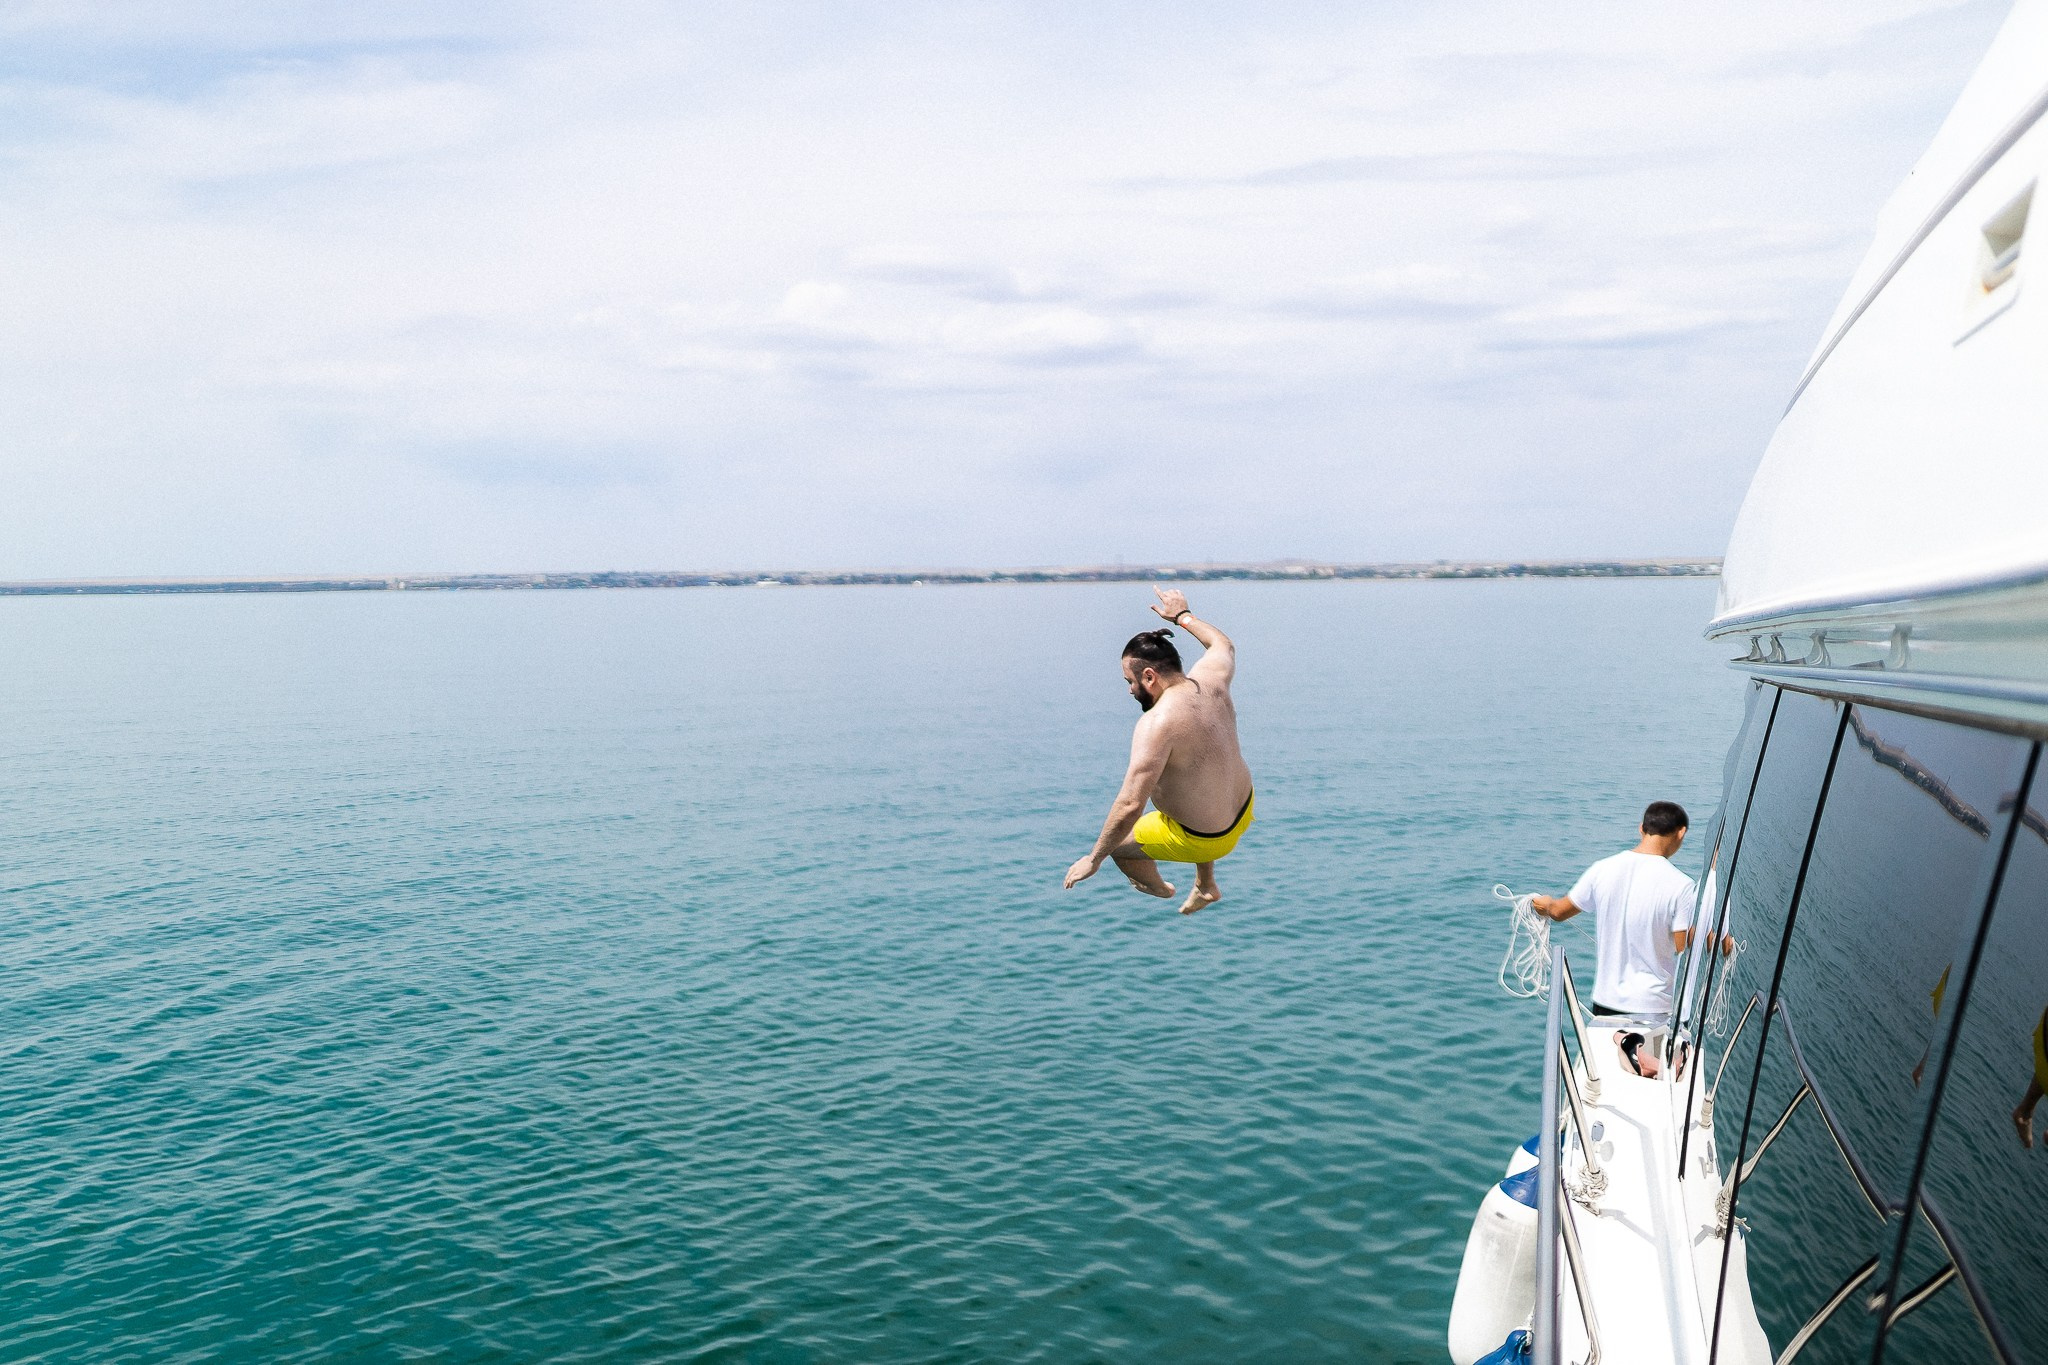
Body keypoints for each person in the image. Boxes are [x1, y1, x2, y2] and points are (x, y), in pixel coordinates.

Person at [1063, 587, 1255, 915]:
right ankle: (1206, 886)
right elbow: (1223, 644)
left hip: (1207, 837)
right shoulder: (1210, 680)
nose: (1129, 690)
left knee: (1120, 847)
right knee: (1189, 785)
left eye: (1130, 681)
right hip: (1243, 810)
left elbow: (1128, 806)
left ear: (1149, 676)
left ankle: (1159, 888)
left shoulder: (1157, 724)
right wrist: (1183, 616)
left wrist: (1093, 859)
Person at [1531, 802, 1706, 1021]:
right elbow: (1683, 948)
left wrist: (1543, 903)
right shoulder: (1682, 885)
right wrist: (1711, 938)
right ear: (1681, 833)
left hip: (1606, 1002)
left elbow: (1558, 912)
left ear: (1641, 828)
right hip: (1654, 1006)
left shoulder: (1601, 869)